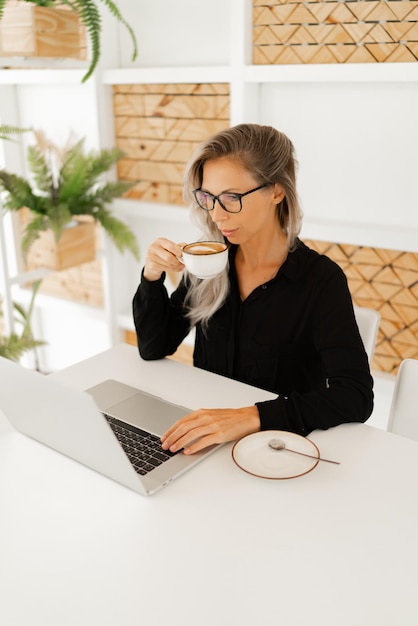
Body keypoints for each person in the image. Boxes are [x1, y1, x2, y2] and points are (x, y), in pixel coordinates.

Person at [133, 123, 374, 455]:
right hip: (203, 436)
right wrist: (151, 275)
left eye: (232, 197)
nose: (216, 214)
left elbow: (355, 396)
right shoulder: (208, 262)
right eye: (208, 197)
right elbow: (153, 347)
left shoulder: (321, 280)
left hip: (278, 451)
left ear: (276, 192)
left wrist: (250, 417)